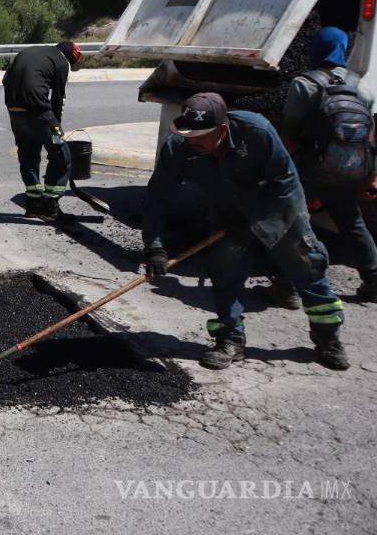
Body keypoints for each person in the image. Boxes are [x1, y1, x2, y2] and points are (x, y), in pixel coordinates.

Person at [143, 93, 348, 371]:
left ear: (222, 130)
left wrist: (256, 215)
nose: (192, 140)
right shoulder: (178, 148)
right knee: (225, 273)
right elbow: (157, 197)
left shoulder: (256, 132)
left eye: (200, 135)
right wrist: (154, 245)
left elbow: (284, 181)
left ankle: (328, 337)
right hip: (227, 212)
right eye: (187, 133)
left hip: (278, 207)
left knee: (307, 265)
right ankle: (230, 338)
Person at [279, 27, 377, 302]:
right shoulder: (362, 88)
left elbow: (290, 135)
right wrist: (370, 176)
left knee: (295, 224)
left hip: (311, 170)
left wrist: (281, 172)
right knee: (352, 223)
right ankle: (374, 280)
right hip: (349, 170)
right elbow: (369, 138)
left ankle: (288, 288)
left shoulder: (304, 84)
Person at [2, 42, 82, 218]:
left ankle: (33, 203)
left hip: (15, 110)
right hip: (39, 112)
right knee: (62, 156)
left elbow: (5, 79)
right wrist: (56, 128)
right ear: (71, 56)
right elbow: (58, 99)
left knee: (28, 155)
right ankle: (50, 204)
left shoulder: (34, 52)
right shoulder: (61, 62)